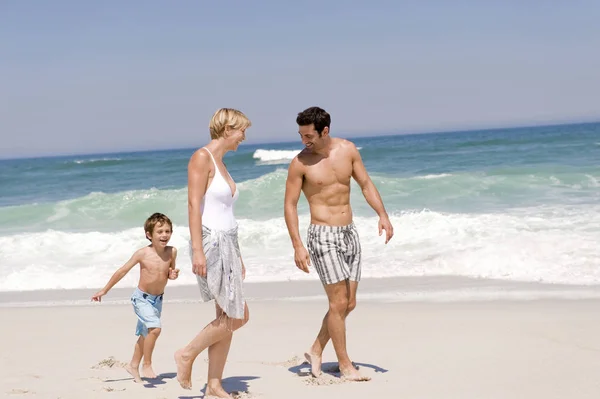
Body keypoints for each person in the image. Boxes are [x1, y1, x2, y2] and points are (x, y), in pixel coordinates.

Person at [284, 106, 394, 381]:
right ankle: (345, 365)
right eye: (300, 135)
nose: (303, 140)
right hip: (322, 236)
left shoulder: (348, 150)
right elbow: (290, 205)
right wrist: (297, 245)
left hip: (349, 233)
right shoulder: (300, 163)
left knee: (349, 303)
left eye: (308, 135)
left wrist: (383, 215)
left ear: (325, 131)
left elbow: (365, 184)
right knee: (338, 302)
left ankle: (316, 349)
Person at [174, 108, 251, 397]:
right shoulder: (201, 158)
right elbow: (194, 205)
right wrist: (197, 251)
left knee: (226, 314)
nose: (244, 136)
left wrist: (239, 255)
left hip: (228, 242)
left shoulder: (220, 163)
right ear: (227, 128)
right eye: (242, 130)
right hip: (211, 242)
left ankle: (214, 385)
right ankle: (186, 354)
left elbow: (227, 212)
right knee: (238, 315)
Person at [91, 212, 179, 383]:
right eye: (160, 232)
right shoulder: (142, 254)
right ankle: (147, 363)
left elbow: (170, 273)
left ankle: (133, 365)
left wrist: (173, 275)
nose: (164, 235)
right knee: (155, 329)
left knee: (146, 334)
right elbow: (122, 271)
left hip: (157, 300)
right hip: (142, 299)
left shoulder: (172, 252)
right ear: (149, 235)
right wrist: (104, 290)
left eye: (168, 231)